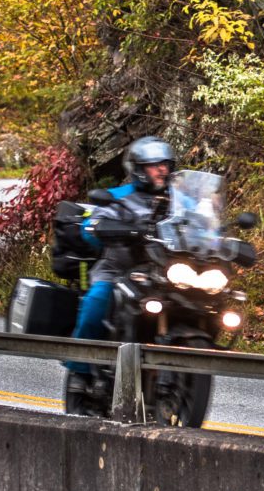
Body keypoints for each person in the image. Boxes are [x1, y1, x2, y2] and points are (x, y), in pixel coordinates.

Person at [65, 136, 179, 406]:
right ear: (138, 169)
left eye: (165, 164)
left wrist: (219, 238)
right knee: (97, 301)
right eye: (154, 165)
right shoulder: (119, 197)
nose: (161, 170)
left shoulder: (180, 201)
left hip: (164, 276)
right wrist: (104, 228)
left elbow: (203, 224)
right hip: (117, 271)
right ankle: (79, 372)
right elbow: (92, 226)